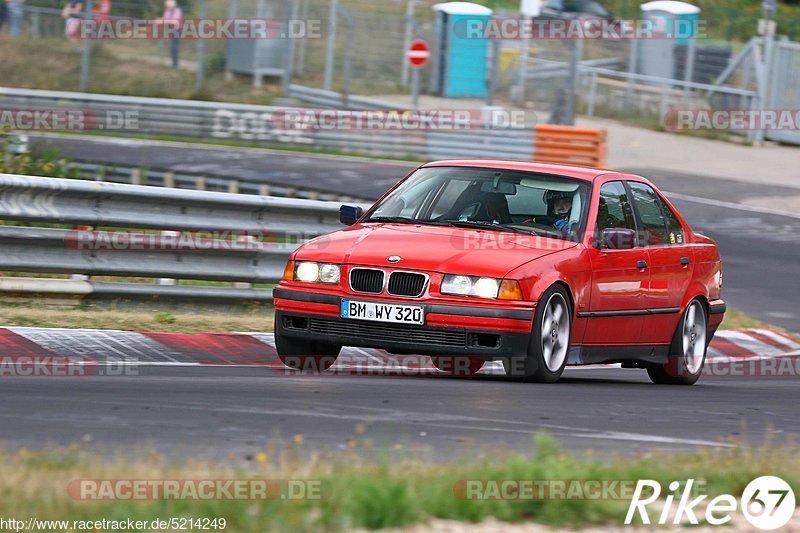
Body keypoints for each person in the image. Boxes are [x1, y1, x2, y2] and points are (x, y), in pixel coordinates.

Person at [158, 0, 183, 68]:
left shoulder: (177, 10)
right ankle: (174, 63)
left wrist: (164, 21)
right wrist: (161, 20)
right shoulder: (168, 10)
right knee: (172, 47)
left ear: (172, 5)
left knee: (173, 47)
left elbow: (175, 21)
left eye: (168, 6)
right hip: (171, 29)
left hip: (177, 30)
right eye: (167, 6)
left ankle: (175, 64)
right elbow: (165, 19)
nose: (167, 7)